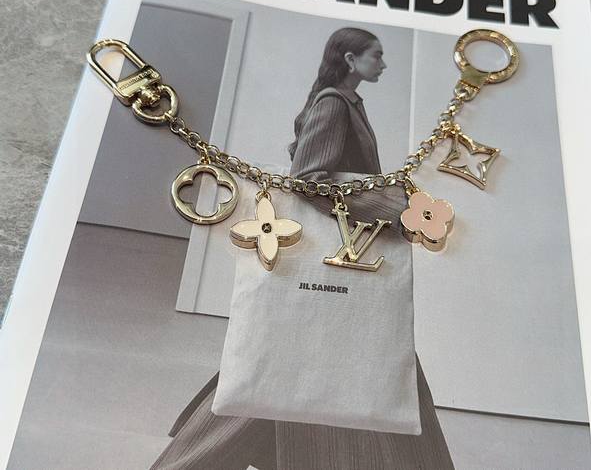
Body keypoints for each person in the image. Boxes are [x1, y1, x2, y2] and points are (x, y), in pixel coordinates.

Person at [151, 27, 454, 470]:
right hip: (341, 257)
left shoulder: (346, 101)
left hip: (346, 258)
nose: (383, 64)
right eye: (376, 55)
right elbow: (310, 179)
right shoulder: (333, 104)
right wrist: (395, 210)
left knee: (311, 359)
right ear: (350, 59)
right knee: (339, 360)